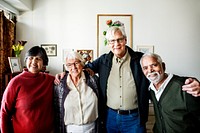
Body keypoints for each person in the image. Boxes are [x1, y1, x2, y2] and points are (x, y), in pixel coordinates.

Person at [55, 23, 200, 133]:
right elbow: (84, 67)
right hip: (110, 116)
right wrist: (66, 74)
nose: (116, 44)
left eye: (119, 40)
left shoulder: (139, 59)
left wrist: (191, 81)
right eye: (112, 41)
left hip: (134, 118)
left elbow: (159, 74)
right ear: (108, 43)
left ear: (125, 40)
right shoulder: (104, 60)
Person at [140, 52, 200, 133]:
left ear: (163, 66)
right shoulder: (150, 89)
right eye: (145, 68)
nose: (150, 70)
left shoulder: (185, 87)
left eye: (154, 65)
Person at [0, 46, 55, 133]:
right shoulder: (16, 82)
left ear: (44, 62)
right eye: (31, 58)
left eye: (38, 59)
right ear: (26, 60)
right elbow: (4, 113)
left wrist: (63, 74)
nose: (34, 62)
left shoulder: (50, 80)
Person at [54, 51, 99, 133]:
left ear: (82, 64)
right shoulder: (60, 84)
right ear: (66, 67)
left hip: (92, 128)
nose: (73, 67)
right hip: (70, 129)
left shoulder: (93, 80)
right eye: (69, 65)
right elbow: (57, 110)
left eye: (76, 63)